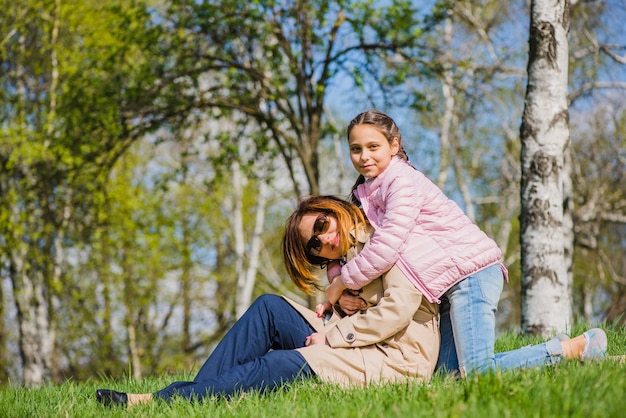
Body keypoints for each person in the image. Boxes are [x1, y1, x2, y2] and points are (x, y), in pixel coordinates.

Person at [322, 109, 607, 377]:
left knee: (478, 371)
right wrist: (335, 283)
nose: (363, 156)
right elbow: (348, 239)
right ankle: (555, 352)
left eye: (373, 147)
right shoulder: (368, 193)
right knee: (447, 376)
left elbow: (385, 247)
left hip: (471, 276)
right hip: (446, 287)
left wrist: (340, 284)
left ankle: (571, 349)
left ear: (393, 146)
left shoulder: (401, 182)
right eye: (356, 149)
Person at [96, 195, 440, 407]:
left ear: (332, 209)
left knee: (278, 365)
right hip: (364, 343)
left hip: (395, 359)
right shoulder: (347, 259)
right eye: (313, 245)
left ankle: (157, 401)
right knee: (269, 308)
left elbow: (398, 309)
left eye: (321, 223)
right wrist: (337, 305)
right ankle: (199, 397)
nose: (323, 238)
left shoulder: (384, 233)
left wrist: (331, 336)